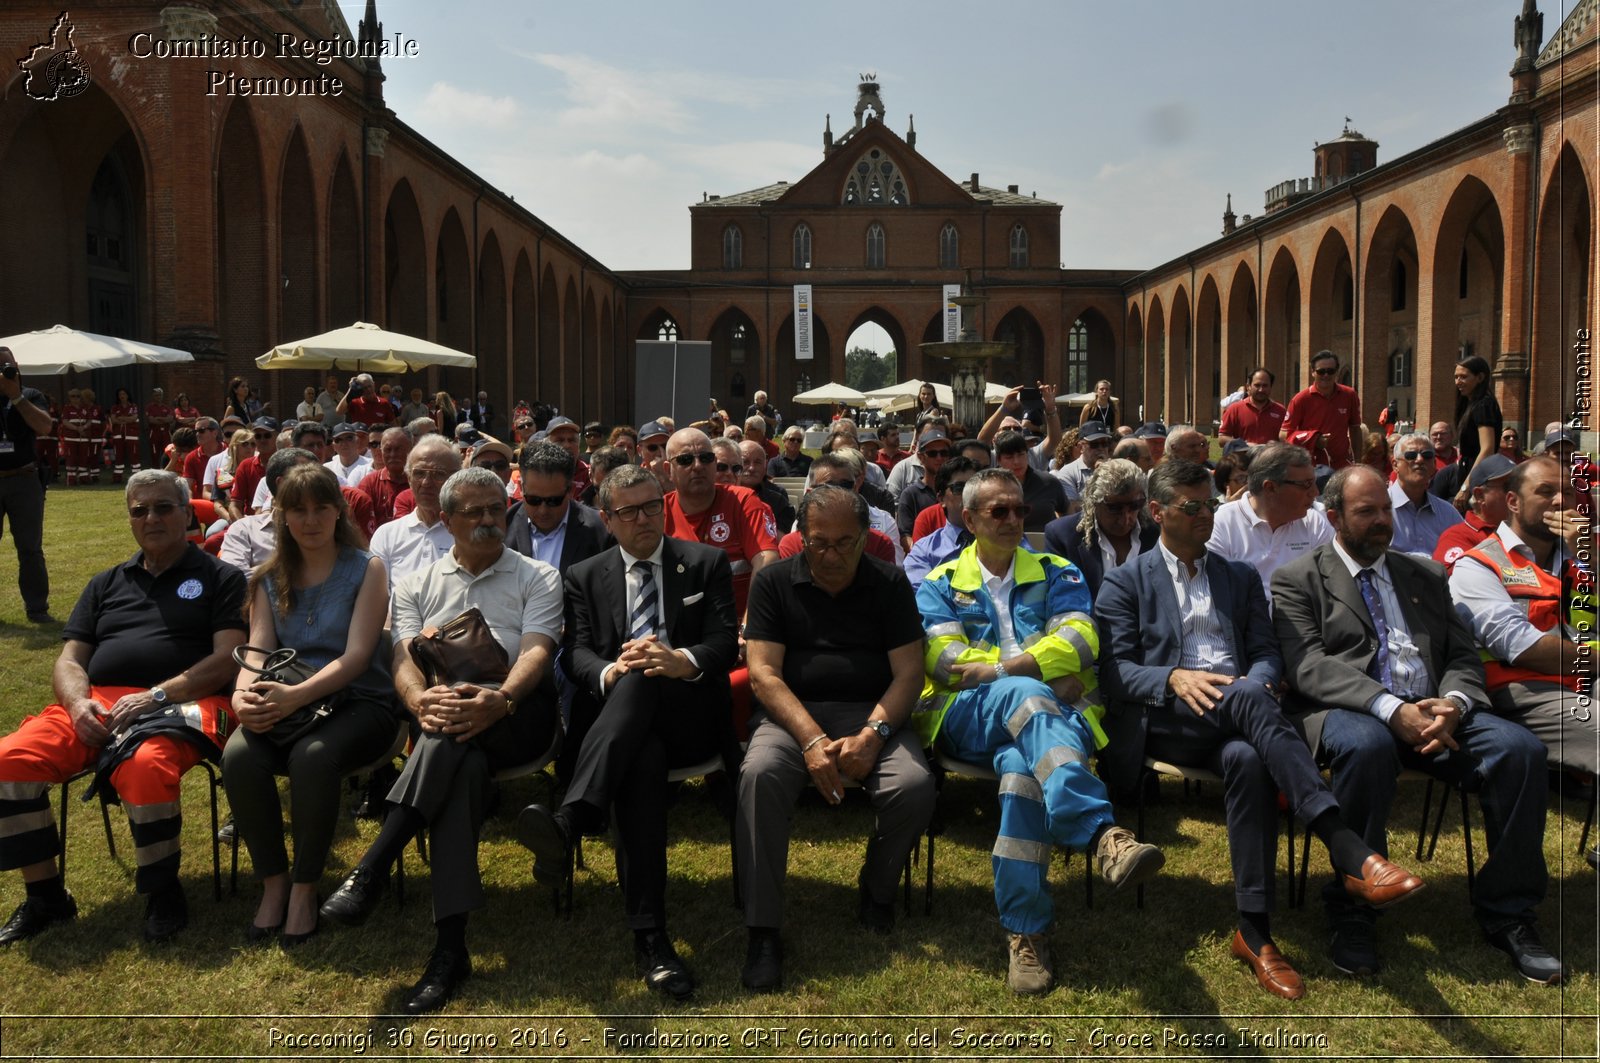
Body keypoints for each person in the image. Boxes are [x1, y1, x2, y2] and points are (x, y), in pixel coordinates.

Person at [1096, 460, 1424, 999]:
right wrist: (1174, 676)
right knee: (1247, 698)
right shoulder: (1125, 581)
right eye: (1192, 506)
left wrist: (1261, 681)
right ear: (1157, 513)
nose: (1206, 514)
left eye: (1210, 504)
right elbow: (1114, 671)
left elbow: (1269, 654)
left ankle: (1255, 933)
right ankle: (1346, 847)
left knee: (1248, 757)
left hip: (1242, 714)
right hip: (1170, 719)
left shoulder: (1239, 576)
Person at [1271, 465, 1561, 984]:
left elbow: (1462, 654)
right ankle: (1353, 909)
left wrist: (1454, 702)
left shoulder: (1424, 573)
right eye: (1367, 512)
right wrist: (1389, 709)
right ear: (1334, 517)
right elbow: (1308, 665)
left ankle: (1509, 914)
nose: (1383, 520)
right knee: (1365, 747)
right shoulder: (1298, 578)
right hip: (1353, 711)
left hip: (1434, 711)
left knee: (1520, 752)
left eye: (1386, 509)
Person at [320, 467, 561, 1013]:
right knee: (458, 763)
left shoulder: (537, 576)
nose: (486, 520)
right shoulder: (415, 584)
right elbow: (402, 656)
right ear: (446, 520)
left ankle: (373, 867)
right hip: (447, 718)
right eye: (473, 512)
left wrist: (499, 700)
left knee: (449, 739)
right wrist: (416, 700)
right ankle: (448, 953)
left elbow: (538, 652)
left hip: (520, 714)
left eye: (495, 509)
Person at [915, 468, 1164, 995]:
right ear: (969, 518)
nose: (1012, 519)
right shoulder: (939, 583)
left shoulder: (1059, 572)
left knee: (1021, 775)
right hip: (968, 717)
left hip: (1046, 730)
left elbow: (1080, 641)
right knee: (1025, 696)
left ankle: (1026, 934)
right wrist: (1033, 672)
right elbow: (946, 663)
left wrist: (1004, 668)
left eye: (1020, 510)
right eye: (998, 511)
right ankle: (1102, 833)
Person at [517, 464, 737, 1000]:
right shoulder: (586, 575)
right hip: (625, 727)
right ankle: (651, 937)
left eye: (652, 507)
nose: (645, 519)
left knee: (645, 674)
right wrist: (609, 671)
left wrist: (678, 659)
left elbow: (725, 641)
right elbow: (577, 655)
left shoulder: (704, 563)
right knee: (640, 753)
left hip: (691, 715)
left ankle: (575, 817)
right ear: (608, 519)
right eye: (630, 512)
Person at [0, 470, 246, 944]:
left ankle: (162, 889)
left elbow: (225, 660)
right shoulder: (106, 582)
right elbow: (71, 659)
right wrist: (76, 705)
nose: (150, 518)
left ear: (185, 513)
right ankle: (46, 895)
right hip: (98, 704)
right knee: (9, 761)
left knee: (147, 765)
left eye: (162, 508)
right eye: (139, 510)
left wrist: (156, 695)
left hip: (187, 700)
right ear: (130, 519)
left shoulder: (221, 577)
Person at [737, 486, 934, 990]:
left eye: (847, 544)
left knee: (912, 786)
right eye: (820, 543)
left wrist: (874, 734)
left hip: (872, 713)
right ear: (800, 537)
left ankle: (879, 889)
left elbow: (909, 674)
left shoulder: (890, 582)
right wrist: (808, 739)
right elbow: (763, 675)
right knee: (760, 775)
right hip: (790, 717)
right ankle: (763, 929)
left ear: (866, 539)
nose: (833, 556)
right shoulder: (774, 582)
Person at [223, 464, 399, 946]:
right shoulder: (267, 576)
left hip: (359, 702)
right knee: (238, 757)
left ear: (338, 510)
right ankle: (273, 884)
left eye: (321, 507)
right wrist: (243, 695)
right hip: (286, 700)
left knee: (312, 757)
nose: (311, 519)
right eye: (297, 510)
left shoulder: (368, 568)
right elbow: (257, 649)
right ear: (280, 515)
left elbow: (359, 656)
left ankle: (304, 888)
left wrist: (292, 697)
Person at [1449, 455, 1600, 776]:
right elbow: (1523, 648)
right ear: (1513, 502)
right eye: (1546, 492)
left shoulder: (1581, 559)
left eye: (1569, 493)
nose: (1560, 501)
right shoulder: (1478, 564)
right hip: (1522, 693)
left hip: (1585, 683)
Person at [661, 427, 778, 618]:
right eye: (685, 459)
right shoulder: (659, 512)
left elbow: (767, 561)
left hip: (739, 625)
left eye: (706, 458)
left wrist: (750, 624)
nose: (697, 466)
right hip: (680, 629)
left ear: (713, 463)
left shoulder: (744, 501)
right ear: (668, 470)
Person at [1206, 442, 1331, 605]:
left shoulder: (1315, 522)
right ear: (1270, 488)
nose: (1315, 493)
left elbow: (1330, 587)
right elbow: (1218, 597)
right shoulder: (1222, 524)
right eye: (1306, 485)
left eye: (1314, 482)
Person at [1042, 458, 1158, 599]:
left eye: (1135, 506)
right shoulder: (1062, 536)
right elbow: (1062, 597)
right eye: (1115, 508)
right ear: (1094, 502)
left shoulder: (1156, 533)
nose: (1125, 518)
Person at [0, 347, 55, 622]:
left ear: (17, 366)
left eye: (7, 366)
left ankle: (37, 607)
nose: (3, 372)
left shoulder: (31, 396)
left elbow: (45, 427)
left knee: (30, 547)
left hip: (23, 479)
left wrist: (16, 396)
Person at [368, 437, 460, 592]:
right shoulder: (387, 535)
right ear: (409, 478)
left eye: (438, 474)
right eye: (419, 473)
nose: (426, 482)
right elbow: (377, 598)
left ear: (455, 479)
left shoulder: (466, 534)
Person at [504, 441, 612, 572]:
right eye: (534, 500)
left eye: (554, 501)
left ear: (571, 491)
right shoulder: (504, 525)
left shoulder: (600, 530)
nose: (543, 510)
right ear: (521, 488)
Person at [902, 456, 981, 584]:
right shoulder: (924, 552)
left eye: (974, 487)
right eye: (959, 488)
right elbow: (922, 596)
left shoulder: (1005, 538)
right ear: (941, 498)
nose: (969, 493)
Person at [1281, 349, 1363, 469]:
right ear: (1313, 372)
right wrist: (1313, 438)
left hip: (1342, 465)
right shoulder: (1300, 399)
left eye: (1330, 371)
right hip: (1311, 466)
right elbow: (1284, 435)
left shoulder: (1349, 395)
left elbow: (1355, 428)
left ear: (1336, 372)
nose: (1326, 375)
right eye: (1321, 371)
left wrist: (1358, 460)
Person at [1387, 432, 1464, 556]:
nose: (1420, 459)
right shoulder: (1379, 508)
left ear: (1434, 465)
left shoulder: (1447, 513)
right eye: (1411, 455)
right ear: (1395, 465)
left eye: (1427, 455)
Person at [1434, 453, 1516, 569]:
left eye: (1519, 485)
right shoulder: (1458, 537)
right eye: (1508, 486)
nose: (1517, 492)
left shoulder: (1524, 530)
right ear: (1480, 495)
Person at [1447, 355, 1503, 510]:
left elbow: (1487, 449)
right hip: (1468, 468)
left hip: (1478, 473)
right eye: (1456, 377)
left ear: (1480, 377)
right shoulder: (1470, 404)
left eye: (1464, 377)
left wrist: (1466, 487)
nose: (1458, 381)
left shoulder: (1484, 405)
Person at [994, 430, 1065, 531]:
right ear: (998, 460)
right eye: (1009, 457)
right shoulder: (988, 487)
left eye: (1021, 455)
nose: (1016, 462)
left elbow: (1066, 513)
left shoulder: (1049, 482)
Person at [897, 427, 952, 546]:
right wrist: (922, 554)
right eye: (932, 453)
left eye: (944, 453)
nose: (939, 458)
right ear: (921, 458)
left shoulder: (956, 490)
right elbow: (904, 535)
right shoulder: (910, 494)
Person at [357, 426, 413, 527]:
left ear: (412, 449)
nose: (393, 454)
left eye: (398, 449)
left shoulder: (421, 482)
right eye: (387, 449)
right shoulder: (369, 483)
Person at [739, 439, 796, 536]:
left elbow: (780, 539)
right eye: (745, 462)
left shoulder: (778, 498)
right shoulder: (722, 495)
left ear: (765, 464)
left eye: (757, 462)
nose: (752, 468)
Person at [1053, 420, 1113, 511]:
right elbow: (1072, 509)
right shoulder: (1068, 472)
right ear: (1081, 447)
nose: (1101, 448)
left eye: (1105, 444)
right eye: (1094, 444)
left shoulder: (1116, 469)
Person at [1219, 368, 1285, 447]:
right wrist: (1245, 445)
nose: (1261, 390)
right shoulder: (1234, 409)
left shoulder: (1281, 411)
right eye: (1257, 385)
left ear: (1271, 387)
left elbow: (1287, 437)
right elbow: (1222, 439)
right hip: (1244, 458)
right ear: (1248, 387)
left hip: (1271, 458)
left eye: (1265, 386)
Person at [205, 428, 255, 503]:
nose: (249, 447)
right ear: (235, 446)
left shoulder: (258, 470)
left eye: (253, 444)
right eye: (245, 444)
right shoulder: (224, 473)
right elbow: (216, 502)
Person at [107, 388, 142, 483]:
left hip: (131, 435)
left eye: (124, 394)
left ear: (127, 395)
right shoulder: (115, 407)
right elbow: (113, 420)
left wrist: (122, 418)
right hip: (118, 435)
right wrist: (127, 419)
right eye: (120, 394)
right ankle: (117, 478)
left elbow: (134, 418)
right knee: (119, 456)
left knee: (134, 456)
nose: (122, 396)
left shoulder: (133, 406)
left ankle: (137, 478)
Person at [325, 422, 373, 489]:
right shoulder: (326, 469)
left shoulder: (371, 465)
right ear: (333, 446)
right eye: (338, 440)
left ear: (357, 442)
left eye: (349, 438)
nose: (344, 443)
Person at [144, 387, 174, 468]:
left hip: (165, 433)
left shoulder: (166, 407)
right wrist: (164, 419)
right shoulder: (149, 407)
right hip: (154, 432)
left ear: (162, 396)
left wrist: (158, 418)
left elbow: (170, 419)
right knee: (155, 453)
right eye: (156, 395)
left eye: (160, 395)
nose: (158, 397)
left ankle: (166, 469)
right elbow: (151, 420)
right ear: (153, 396)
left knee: (167, 451)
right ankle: (155, 469)